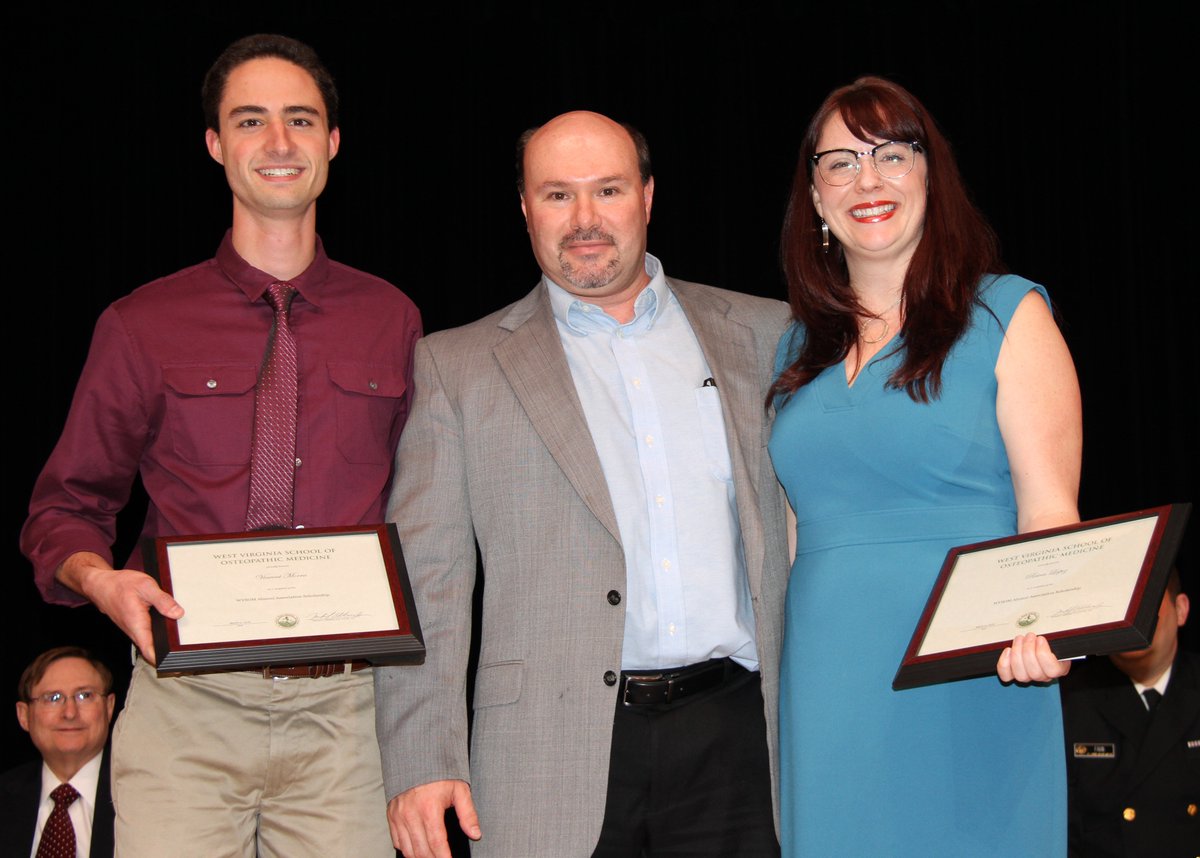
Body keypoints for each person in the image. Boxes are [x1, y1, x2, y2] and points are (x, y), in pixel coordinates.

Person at [19, 34, 420, 856]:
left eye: (300, 120)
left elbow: (431, 512)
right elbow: (64, 507)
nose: (278, 143)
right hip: (186, 712)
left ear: (333, 143)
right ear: (215, 145)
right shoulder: (141, 324)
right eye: (250, 121)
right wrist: (103, 585)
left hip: (347, 721)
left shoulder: (396, 320)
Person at [373, 110, 791, 858]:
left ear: (648, 196)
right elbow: (425, 581)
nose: (586, 219)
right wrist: (422, 758)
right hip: (544, 746)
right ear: (525, 208)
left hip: (737, 741)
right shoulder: (457, 367)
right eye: (559, 195)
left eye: (608, 190)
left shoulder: (768, 335)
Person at [767, 76, 1082, 856]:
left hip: (974, 669)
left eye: (891, 155)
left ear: (930, 174)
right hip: (827, 682)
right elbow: (793, 535)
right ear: (814, 196)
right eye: (839, 163)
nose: (866, 180)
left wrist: (1052, 632)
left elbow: (1051, 513)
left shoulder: (1009, 313)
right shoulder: (793, 352)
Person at [1060, 567, 1199, 856]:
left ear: (1181, 609)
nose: (1135, 614)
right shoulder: (1070, 700)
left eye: (1148, 599)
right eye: (1123, 601)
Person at [0, 648, 116, 857]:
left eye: (84, 696)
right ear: (24, 715)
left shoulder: (144, 792)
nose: (70, 713)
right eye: (52, 698)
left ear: (109, 707)